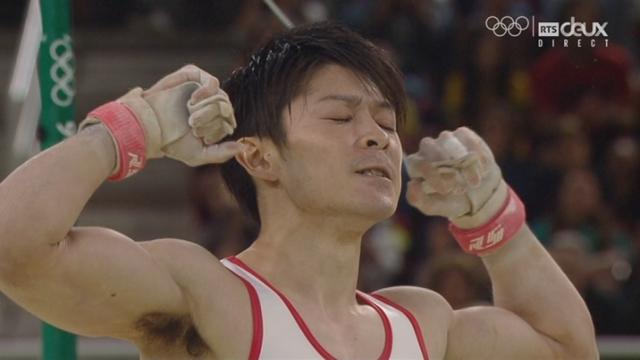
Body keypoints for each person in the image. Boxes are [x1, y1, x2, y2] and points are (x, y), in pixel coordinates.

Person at [0, 22, 597, 359]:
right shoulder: (207, 296)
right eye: (342, 119)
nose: (377, 139)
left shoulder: (422, 323)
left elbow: (570, 352)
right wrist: (128, 131)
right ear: (259, 155)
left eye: (387, 124)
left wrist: (494, 218)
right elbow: (12, 247)